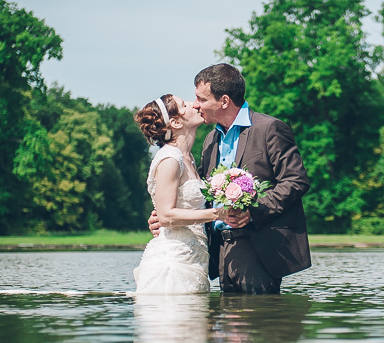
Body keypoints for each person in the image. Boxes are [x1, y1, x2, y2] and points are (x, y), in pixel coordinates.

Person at [151, 63, 312, 294]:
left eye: (201, 99)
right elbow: (203, 194)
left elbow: (296, 181)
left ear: (224, 101)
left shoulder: (269, 129)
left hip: (257, 244)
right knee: (227, 324)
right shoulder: (209, 141)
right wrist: (166, 214)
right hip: (219, 249)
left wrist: (252, 212)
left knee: (256, 322)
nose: (196, 105)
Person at [133, 94, 228, 294]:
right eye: (185, 105)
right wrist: (218, 214)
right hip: (173, 262)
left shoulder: (189, 158)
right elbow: (166, 216)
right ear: (175, 122)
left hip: (194, 257)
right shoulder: (170, 158)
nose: (194, 104)